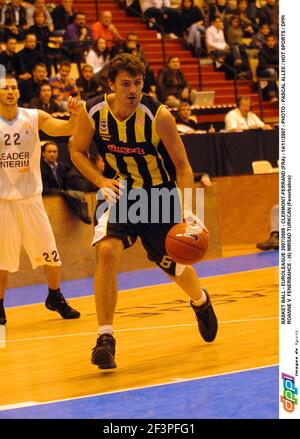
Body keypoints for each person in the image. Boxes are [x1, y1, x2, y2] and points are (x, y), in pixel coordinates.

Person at [70, 53, 218, 370]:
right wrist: (99, 180)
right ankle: (105, 339)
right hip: (119, 190)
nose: (133, 90)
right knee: (107, 251)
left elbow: (182, 166)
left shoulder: (158, 115)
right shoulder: (92, 111)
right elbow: (76, 150)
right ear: (111, 84)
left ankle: (200, 301)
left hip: (159, 194)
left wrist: (187, 210)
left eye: (137, 83)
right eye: (126, 83)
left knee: (173, 266)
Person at [0, 74, 81, 326]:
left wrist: (75, 113)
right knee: (2, 258)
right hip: (3, 201)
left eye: (14, 88)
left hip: (32, 198)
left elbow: (67, 129)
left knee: (50, 252)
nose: (11, 91)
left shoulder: (33, 117)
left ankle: (55, 296)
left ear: (19, 93)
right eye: (5, 88)